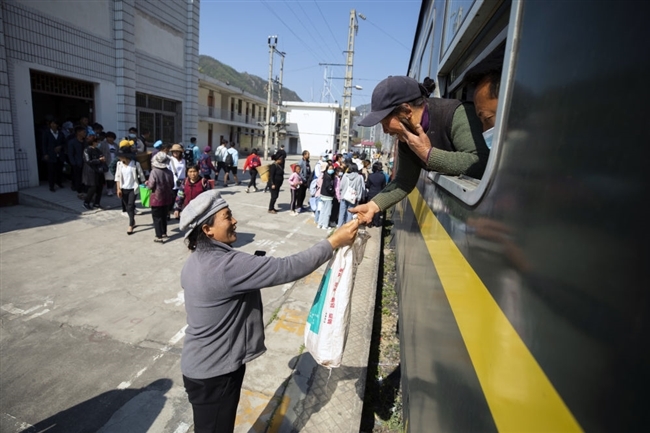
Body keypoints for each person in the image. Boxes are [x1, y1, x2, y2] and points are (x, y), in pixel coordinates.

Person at [178, 190, 360, 433]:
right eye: (227, 216)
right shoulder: (226, 266)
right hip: (215, 373)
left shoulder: (196, 260)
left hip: (202, 366)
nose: (234, 221)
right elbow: (287, 268)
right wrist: (333, 242)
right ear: (207, 230)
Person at [350, 75, 490, 224]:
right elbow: (404, 181)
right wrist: (373, 205)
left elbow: (480, 162)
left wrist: (427, 154)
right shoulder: (406, 138)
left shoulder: (456, 114)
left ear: (406, 111)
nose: (385, 131)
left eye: (385, 123)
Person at [115, 150, 145, 235]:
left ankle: (130, 225)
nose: (119, 158)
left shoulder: (135, 164)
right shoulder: (119, 164)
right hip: (123, 189)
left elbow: (141, 175)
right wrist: (118, 189)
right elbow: (117, 177)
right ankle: (133, 220)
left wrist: (144, 183)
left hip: (133, 188)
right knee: (127, 207)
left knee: (131, 205)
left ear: (125, 156)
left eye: (120, 156)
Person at [146, 152, 175, 243]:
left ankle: (158, 236)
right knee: (164, 216)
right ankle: (164, 232)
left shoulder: (154, 172)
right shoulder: (169, 172)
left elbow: (151, 185)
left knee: (157, 217)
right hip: (167, 197)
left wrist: (147, 183)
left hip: (156, 198)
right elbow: (172, 185)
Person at [81, 134, 106, 210]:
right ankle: (86, 202)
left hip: (99, 171)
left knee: (100, 187)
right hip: (91, 171)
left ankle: (97, 203)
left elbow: (101, 156)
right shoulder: (87, 150)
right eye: (96, 141)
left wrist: (102, 159)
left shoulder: (97, 150)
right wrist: (99, 160)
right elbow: (88, 161)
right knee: (93, 188)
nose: (98, 143)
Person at [41, 119, 66, 192]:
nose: (53, 125)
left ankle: (59, 182)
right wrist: (45, 153)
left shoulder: (60, 133)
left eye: (55, 124)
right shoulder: (46, 133)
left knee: (59, 170)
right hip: (50, 154)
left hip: (59, 155)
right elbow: (44, 144)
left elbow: (64, 143)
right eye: (52, 124)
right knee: (51, 171)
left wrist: (60, 147)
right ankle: (51, 186)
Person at [366, 162, 388, 228]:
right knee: (377, 208)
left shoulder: (370, 176)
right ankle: (376, 222)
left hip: (371, 193)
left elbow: (368, 185)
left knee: (370, 208)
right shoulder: (382, 176)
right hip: (379, 193)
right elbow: (384, 185)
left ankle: (370, 223)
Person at [317, 162, 335, 230]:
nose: (331, 170)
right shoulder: (328, 177)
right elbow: (329, 187)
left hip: (323, 195)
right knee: (327, 212)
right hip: (327, 196)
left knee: (322, 211)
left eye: (332, 168)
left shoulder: (325, 175)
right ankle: (325, 225)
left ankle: (320, 224)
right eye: (330, 168)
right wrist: (333, 192)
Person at [68, 126, 86, 194]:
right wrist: (73, 162)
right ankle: (77, 187)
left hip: (84, 162)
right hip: (77, 162)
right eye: (83, 132)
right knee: (77, 176)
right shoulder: (72, 142)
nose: (85, 133)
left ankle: (83, 187)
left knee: (83, 176)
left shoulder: (85, 142)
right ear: (78, 132)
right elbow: (70, 153)